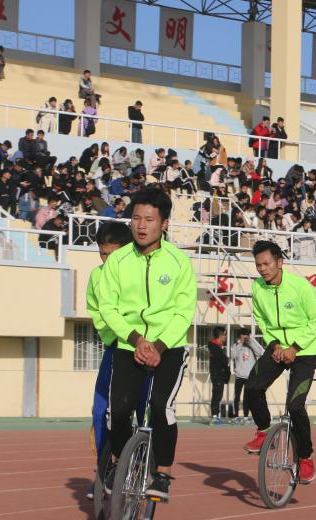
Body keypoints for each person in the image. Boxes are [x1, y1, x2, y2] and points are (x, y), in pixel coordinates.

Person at [98, 186, 196, 501]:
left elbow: (184, 312)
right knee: (118, 410)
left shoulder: (179, 263)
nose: (141, 226)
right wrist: (136, 339)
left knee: (160, 406)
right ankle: (118, 463)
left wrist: (159, 346)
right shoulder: (117, 261)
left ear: (164, 224)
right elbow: (108, 308)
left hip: (169, 347)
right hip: (130, 345)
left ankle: (163, 473)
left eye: (149, 219)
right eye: (136, 218)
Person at [242, 241, 316, 484]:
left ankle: (305, 458)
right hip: (277, 348)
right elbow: (262, 320)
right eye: (258, 265)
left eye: (266, 264)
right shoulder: (257, 287)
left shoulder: (300, 287)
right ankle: (263, 431)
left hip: (303, 351)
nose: (262, 269)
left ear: (279, 262)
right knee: (252, 386)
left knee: (295, 407)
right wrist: (275, 345)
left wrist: (294, 348)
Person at [85, 221, 146, 500]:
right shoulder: (96, 277)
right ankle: (105, 470)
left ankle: (143, 463)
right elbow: (96, 310)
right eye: (102, 253)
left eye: (113, 254)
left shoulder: (139, 271)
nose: (107, 260)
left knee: (144, 409)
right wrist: (114, 336)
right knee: (101, 412)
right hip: (115, 348)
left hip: (145, 349)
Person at [230, 327, 264, 424]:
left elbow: (260, 352)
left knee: (247, 398)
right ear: (239, 337)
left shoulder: (251, 345)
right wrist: (240, 343)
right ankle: (236, 416)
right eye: (243, 336)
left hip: (250, 376)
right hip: (239, 376)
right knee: (237, 397)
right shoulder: (236, 346)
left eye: (246, 336)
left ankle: (246, 416)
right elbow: (233, 355)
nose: (245, 338)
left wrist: (251, 342)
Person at [208, 326, 230, 426]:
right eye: (225, 335)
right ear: (220, 335)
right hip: (217, 375)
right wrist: (226, 360)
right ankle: (214, 417)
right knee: (217, 396)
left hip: (219, 375)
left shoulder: (216, 347)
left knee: (218, 395)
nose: (225, 337)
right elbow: (224, 361)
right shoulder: (215, 347)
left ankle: (215, 416)